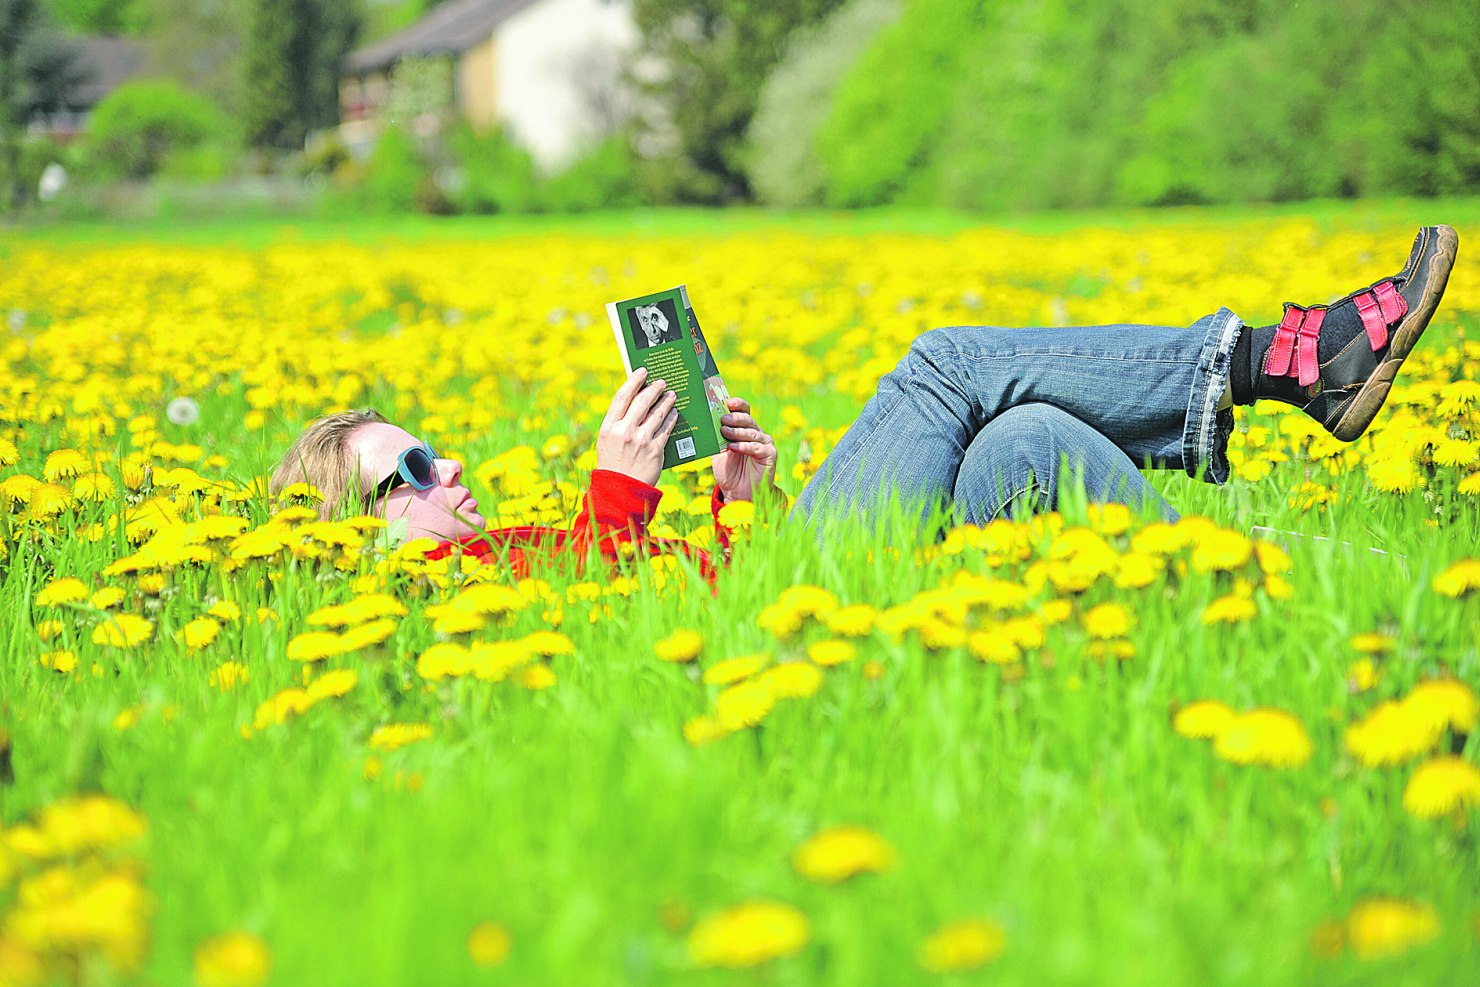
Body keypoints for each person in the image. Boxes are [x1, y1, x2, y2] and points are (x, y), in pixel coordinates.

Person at [269, 225, 1458, 584]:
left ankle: (1259, 587)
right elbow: (610, 642)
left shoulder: (505, 552)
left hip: (791, 580)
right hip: (806, 600)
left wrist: (739, 503)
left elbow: (689, 601)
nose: (446, 475)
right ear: (349, 536)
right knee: (944, 363)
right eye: (406, 480)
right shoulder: (431, 610)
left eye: (429, 451)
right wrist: (621, 493)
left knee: (1024, 441)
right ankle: (1289, 359)